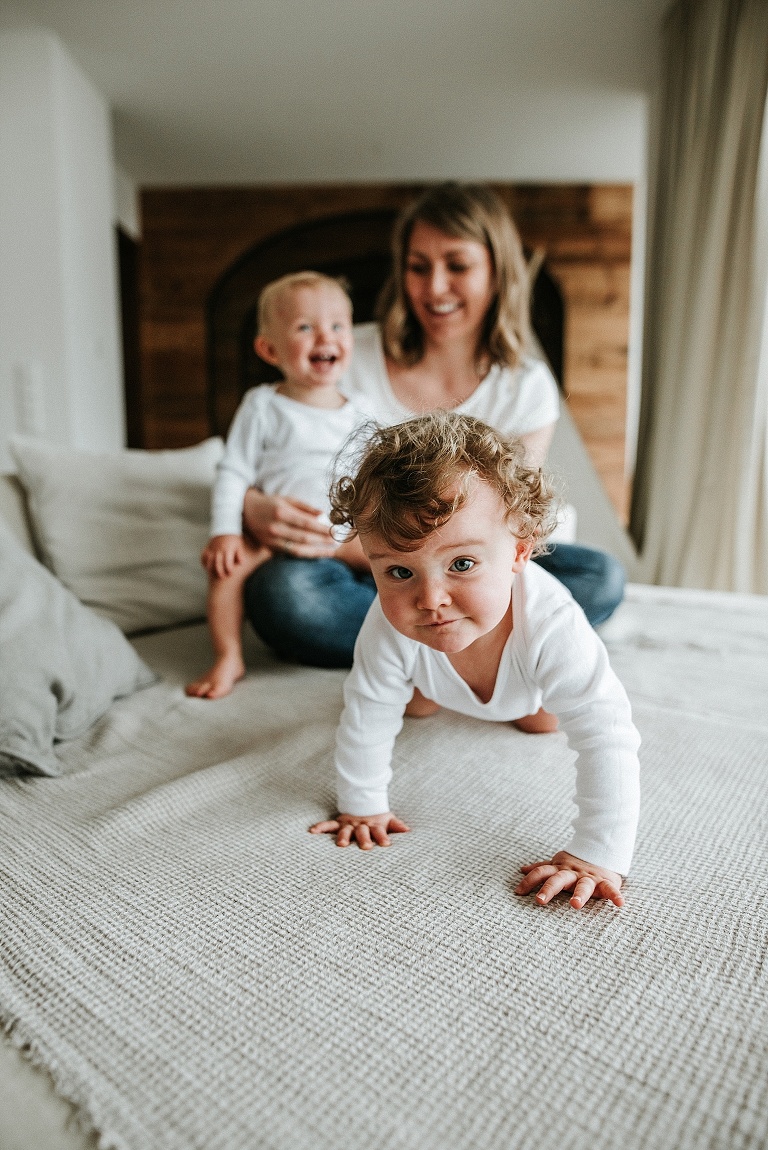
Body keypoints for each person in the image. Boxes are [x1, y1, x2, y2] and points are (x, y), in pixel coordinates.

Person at [241, 183, 626, 669]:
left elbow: (513, 516)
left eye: (457, 266)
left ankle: (406, 649)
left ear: (496, 272)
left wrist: (448, 573)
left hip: (467, 572)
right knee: (284, 596)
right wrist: (253, 507)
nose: (434, 288)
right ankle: (465, 648)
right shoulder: (343, 352)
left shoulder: (524, 387)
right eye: (418, 267)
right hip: (352, 566)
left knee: (600, 576)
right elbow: (261, 449)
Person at [310, 413, 641, 911]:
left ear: (519, 551)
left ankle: (506, 699)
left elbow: (606, 733)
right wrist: (362, 804)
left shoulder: (552, 623)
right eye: (400, 571)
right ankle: (428, 691)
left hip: (524, 686)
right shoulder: (387, 621)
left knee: (541, 721)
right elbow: (365, 710)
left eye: (461, 564)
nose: (430, 598)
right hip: (432, 681)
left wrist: (597, 853)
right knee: (407, 704)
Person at [186, 271, 367, 699]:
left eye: (338, 326)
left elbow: (373, 480)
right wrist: (225, 532)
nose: (326, 336)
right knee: (224, 572)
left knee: (400, 562)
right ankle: (228, 656)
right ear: (270, 349)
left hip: (349, 536)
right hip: (273, 538)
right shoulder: (264, 405)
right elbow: (233, 470)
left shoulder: (362, 412)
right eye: (305, 327)